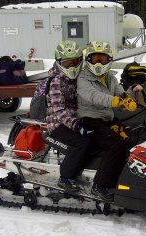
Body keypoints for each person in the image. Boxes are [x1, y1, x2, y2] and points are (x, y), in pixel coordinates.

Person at [77, 40, 141, 201]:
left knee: (129, 140)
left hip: (106, 119)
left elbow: (120, 92)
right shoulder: (83, 78)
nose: (98, 62)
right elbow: (93, 96)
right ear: (88, 60)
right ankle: (99, 186)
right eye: (95, 58)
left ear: (109, 60)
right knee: (115, 143)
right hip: (89, 119)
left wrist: (128, 97)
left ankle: (118, 178)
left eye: (102, 59)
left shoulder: (110, 77)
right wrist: (116, 102)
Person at [46, 40, 93, 193]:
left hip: (75, 119)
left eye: (75, 62)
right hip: (57, 124)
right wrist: (76, 125)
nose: (72, 67)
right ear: (59, 63)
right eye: (67, 64)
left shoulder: (80, 78)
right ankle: (65, 178)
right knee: (82, 142)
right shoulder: (56, 81)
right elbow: (59, 110)